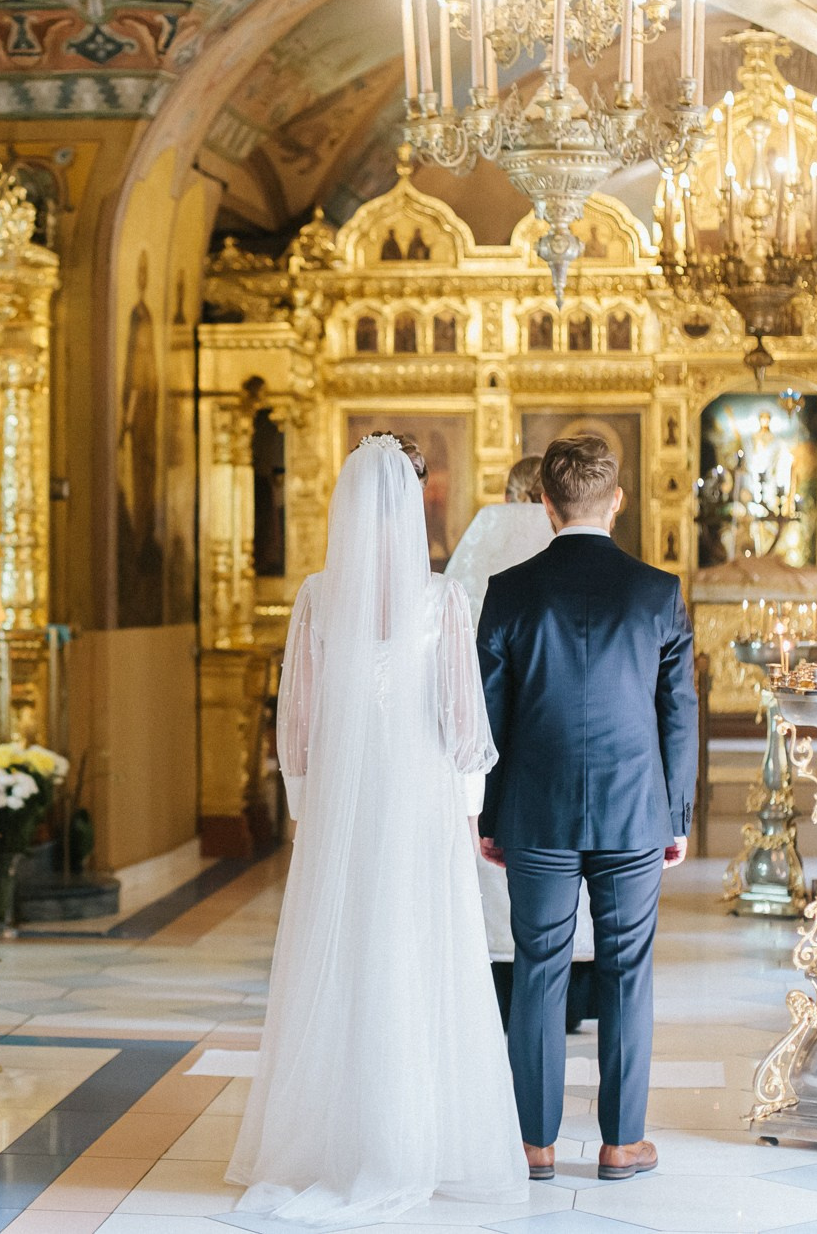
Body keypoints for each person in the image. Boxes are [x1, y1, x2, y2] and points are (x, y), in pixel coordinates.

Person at [229, 433, 526, 1226]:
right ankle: (418, 1140)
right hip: (424, 804)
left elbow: (297, 723)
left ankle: (342, 1135)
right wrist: (468, 818)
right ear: (411, 507)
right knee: (421, 953)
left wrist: (303, 813)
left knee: (350, 953)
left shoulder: (318, 598)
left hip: (341, 807)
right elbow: (465, 724)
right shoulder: (443, 600)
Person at [476, 434, 696, 1184]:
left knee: (538, 966)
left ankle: (534, 1143)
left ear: (545, 504)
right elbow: (679, 714)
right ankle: (620, 1143)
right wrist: (678, 814)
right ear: (618, 500)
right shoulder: (658, 591)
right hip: (636, 809)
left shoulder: (509, 590)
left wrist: (490, 816)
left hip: (534, 810)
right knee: (627, 969)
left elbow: (488, 718)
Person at [446, 458, 597, 1031]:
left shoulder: (482, 540)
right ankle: (573, 1000)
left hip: (492, 740)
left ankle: (503, 999)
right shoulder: (570, 545)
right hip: (570, 741)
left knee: (496, 870)